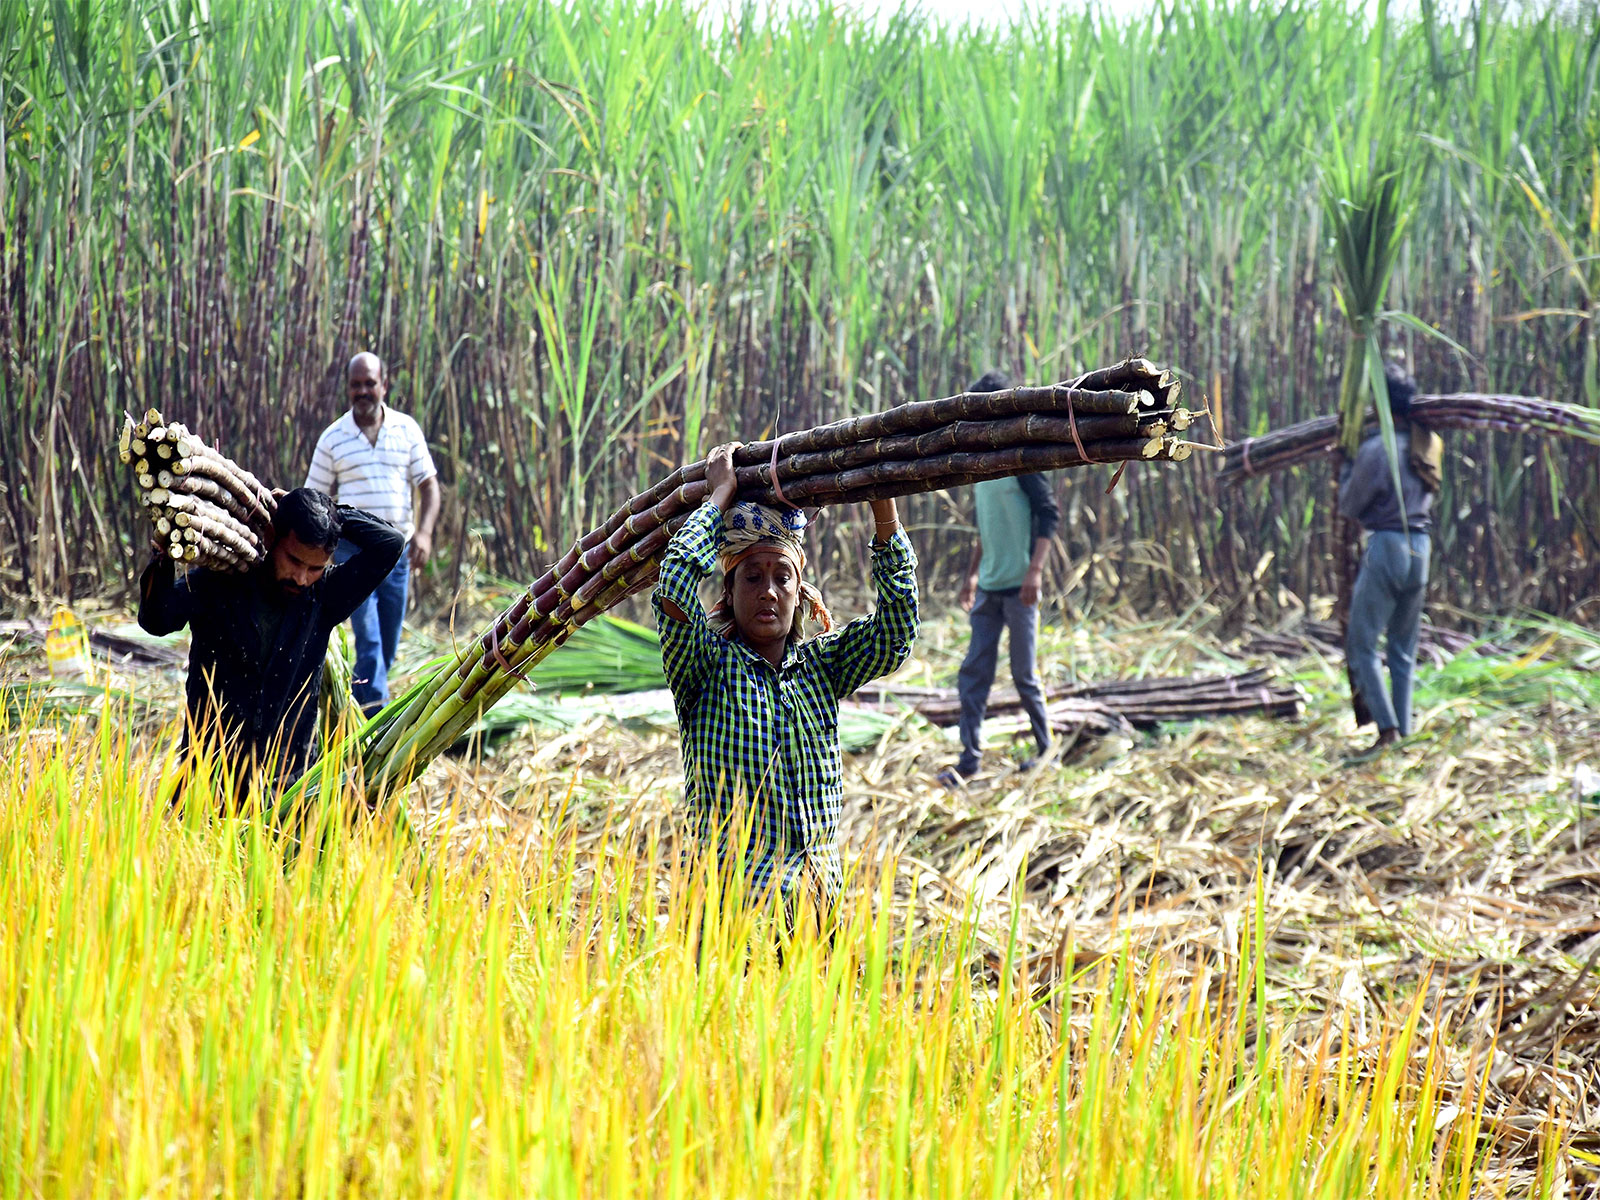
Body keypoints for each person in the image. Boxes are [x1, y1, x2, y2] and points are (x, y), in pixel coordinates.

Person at [653, 442, 919, 922]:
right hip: (728, 913)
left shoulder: (823, 667)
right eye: (752, 578)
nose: (768, 591)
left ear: (801, 593)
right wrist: (719, 497)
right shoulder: (703, 666)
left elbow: (897, 631)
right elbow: (673, 584)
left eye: (782, 577)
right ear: (729, 592)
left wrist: (884, 505)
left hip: (816, 911)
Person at [139, 488, 406, 798]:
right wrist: (161, 559)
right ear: (270, 536)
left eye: (315, 568)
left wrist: (331, 514)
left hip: (289, 788)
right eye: (294, 560)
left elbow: (390, 543)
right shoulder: (222, 582)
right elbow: (156, 621)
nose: (302, 577)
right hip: (210, 779)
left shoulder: (325, 599)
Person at [939, 370, 1060, 787]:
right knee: (973, 673)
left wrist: (1035, 572)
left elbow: (1049, 514)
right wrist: (971, 576)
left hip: (1020, 589)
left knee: (1025, 675)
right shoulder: (982, 467)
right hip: (989, 587)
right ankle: (969, 759)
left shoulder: (1025, 463)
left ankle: (1048, 753)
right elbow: (985, 526)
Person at [304, 352, 441, 715]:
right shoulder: (333, 438)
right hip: (353, 554)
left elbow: (430, 487)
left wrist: (424, 534)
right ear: (347, 388)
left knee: (387, 646)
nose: (363, 391)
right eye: (356, 385)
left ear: (384, 384)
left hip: (398, 555)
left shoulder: (406, 430)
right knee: (369, 640)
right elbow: (313, 499)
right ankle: (376, 725)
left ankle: (354, 707)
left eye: (369, 383)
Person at [1340, 363, 1443, 763]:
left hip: (1388, 546)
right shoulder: (1428, 444)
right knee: (1402, 648)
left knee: (1361, 646)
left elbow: (1349, 504)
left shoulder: (1376, 449)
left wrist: (1348, 461)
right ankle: (1405, 731)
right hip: (1422, 547)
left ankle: (1387, 732)